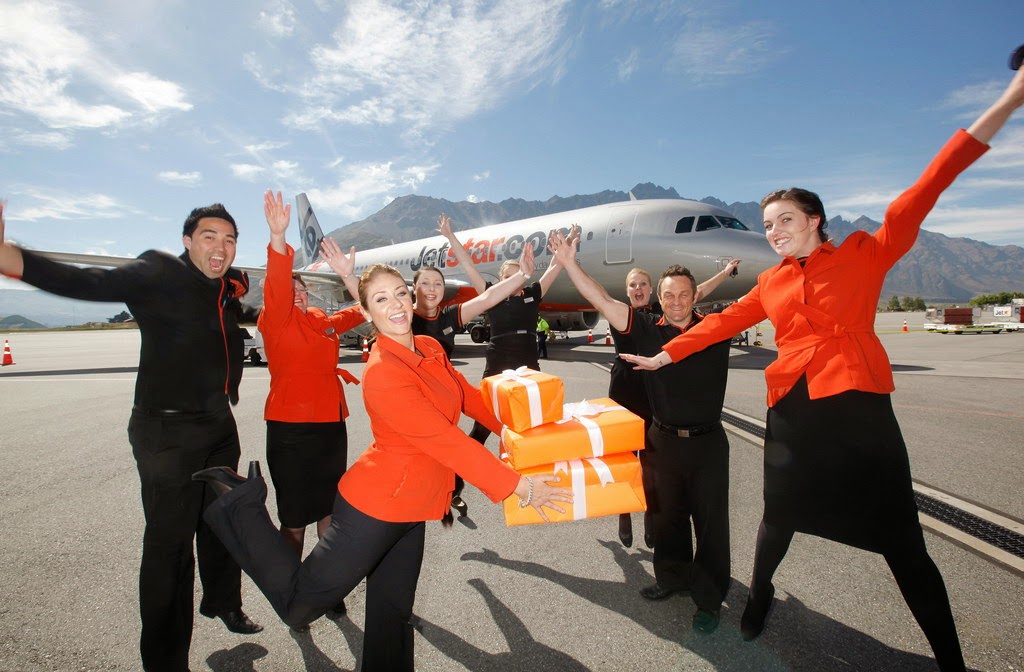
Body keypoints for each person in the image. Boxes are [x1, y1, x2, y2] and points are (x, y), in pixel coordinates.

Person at [621, 62, 1024, 671]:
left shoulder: (865, 253)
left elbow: (930, 183)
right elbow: (717, 325)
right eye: (767, 225)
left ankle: (951, 660)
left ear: (814, 220)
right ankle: (758, 599)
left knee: (903, 541)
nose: (774, 231)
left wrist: (1012, 97)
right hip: (793, 414)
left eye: (785, 220)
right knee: (777, 521)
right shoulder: (772, 282)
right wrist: (664, 353)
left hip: (858, 409)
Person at [193, 263, 573, 671]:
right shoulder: (383, 372)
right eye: (380, 299)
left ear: (411, 298)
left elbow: (470, 398)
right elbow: (446, 441)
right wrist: (522, 488)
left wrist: (523, 433)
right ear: (367, 313)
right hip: (374, 510)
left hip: (415, 507)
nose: (395, 304)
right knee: (297, 608)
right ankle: (241, 504)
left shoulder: (430, 348)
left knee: (393, 614)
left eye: (399, 293)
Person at [0, 201, 262, 671]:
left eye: (229, 239)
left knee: (223, 520)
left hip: (218, 424)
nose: (220, 246)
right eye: (209, 236)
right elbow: (89, 281)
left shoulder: (223, 288)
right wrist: (12, 258)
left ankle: (224, 601)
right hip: (167, 433)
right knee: (170, 547)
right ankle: (165, 661)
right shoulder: (159, 273)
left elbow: (234, 321)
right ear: (187, 241)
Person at [550, 231, 735, 634]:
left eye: (683, 294)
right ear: (659, 298)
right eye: (669, 295)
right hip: (662, 440)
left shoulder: (716, 328)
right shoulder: (647, 327)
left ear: (695, 296)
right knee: (666, 516)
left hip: (707, 444)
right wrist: (568, 264)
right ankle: (672, 578)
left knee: (710, 524)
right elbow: (603, 300)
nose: (676, 301)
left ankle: (708, 599)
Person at [257, 190, 366, 624]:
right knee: (294, 520)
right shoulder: (275, 320)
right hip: (292, 430)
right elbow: (277, 283)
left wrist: (359, 282)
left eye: (303, 289)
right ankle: (289, 593)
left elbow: (357, 313)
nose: (298, 294)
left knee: (329, 513)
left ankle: (326, 587)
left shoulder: (321, 321)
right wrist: (277, 237)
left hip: (329, 428)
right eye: (292, 289)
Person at [401, 214, 541, 521]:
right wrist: (451, 237)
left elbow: (488, 295)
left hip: (448, 393)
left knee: (475, 440)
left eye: (438, 283)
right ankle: (434, 497)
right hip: (415, 398)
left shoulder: (450, 316)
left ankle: (455, 491)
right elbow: (369, 303)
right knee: (435, 452)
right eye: (424, 283)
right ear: (413, 288)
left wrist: (524, 274)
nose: (432, 288)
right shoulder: (402, 317)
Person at [611, 261, 740, 550]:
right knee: (625, 458)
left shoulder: (662, 313)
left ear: (651, 291)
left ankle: (651, 514)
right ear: (627, 291)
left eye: (643, 284)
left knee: (651, 464)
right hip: (626, 389)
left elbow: (696, 291)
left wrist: (723, 273)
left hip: (653, 392)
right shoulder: (625, 315)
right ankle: (624, 513)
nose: (637, 288)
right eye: (632, 285)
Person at [467, 225, 578, 448]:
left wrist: (568, 240)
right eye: (509, 277)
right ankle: (462, 467)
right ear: (501, 279)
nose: (515, 281)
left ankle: (523, 465)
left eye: (519, 276)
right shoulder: (492, 296)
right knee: (483, 426)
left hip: (528, 367)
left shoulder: (532, 294)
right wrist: (450, 236)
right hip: (497, 368)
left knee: (531, 424)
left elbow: (555, 265)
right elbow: (469, 267)